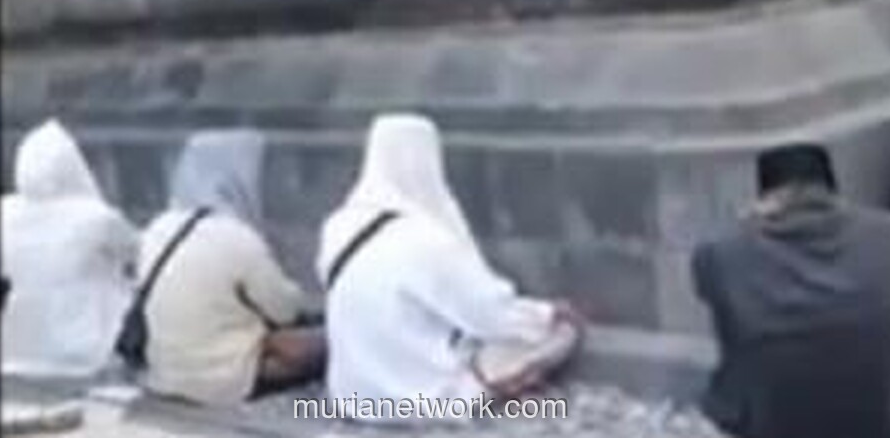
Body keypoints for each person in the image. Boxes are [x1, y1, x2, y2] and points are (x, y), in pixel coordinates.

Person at [317, 114, 583, 422]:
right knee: (558, 333)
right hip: (422, 397)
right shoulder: (424, 236)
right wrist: (547, 313)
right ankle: (491, 386)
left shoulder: (338, 226)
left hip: (350, 394)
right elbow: (488, 312)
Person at [692, 143, 890, 438]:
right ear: (834, 191)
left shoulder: (724, 254)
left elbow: (706, 276)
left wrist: (745, 225)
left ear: (765, 201)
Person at [139, 129, 325, 405]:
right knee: (319, 345)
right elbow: (284, 310)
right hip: (222, 381)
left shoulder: (157, 229)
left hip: (162, 375)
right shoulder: (236, 236)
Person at [0, 119, 139, 378]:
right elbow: (138, 254)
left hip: (13, 350)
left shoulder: (4, 211)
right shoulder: (95, 216)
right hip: (81, 353)